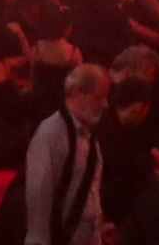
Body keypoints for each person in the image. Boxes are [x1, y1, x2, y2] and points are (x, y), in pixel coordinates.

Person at [20, 67, 114, 245]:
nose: (105, 105)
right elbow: (39, 194)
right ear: (77, 93)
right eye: (99, 97)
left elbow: (90, 189)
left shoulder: (88, 135)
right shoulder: (50, 135)